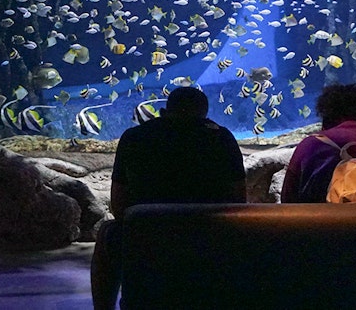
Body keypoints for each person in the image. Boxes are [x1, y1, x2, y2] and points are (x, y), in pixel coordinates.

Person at [91, 86, 246, 310]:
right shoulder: (222, 138)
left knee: (108, 232)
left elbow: (118, 204)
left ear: (164, 111)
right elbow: (239, 199)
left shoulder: (134, 137)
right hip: (210, 238)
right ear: (204, 113)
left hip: (147, 235)